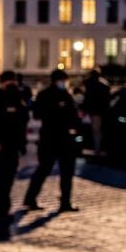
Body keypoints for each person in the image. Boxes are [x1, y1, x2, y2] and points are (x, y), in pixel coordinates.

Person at [23, 68, 85, 213]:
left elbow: (74, 116)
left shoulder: (62, 95)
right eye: (63, 80)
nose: (64, 83)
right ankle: (34, 198)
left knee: (61, 171)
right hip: (53, 138)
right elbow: (39, 113)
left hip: (58, 138)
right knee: (48, 170)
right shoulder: (51, 95)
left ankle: (63, 201)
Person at [0, 70, 30, 242]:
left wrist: (22, 145)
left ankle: (4, 210)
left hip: (13, 146)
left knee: (9, 179)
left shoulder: (18, 98)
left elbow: (23, 118)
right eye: (8, 82)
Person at [82, 67, 111, 154]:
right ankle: (98, 147)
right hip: (100, 110)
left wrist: (85, 109)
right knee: (98, 130)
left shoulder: (90, 84)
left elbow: (87, 98)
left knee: (95, 130)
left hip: (94, 110)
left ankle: (96, 148)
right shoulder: (104, 84)